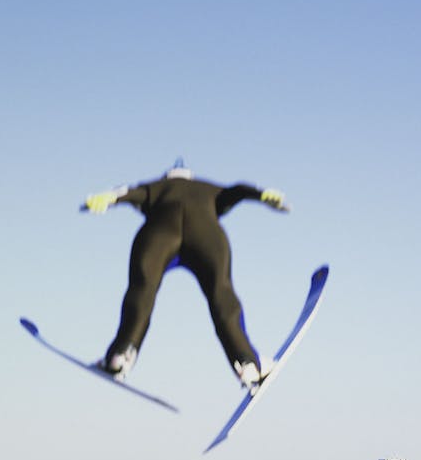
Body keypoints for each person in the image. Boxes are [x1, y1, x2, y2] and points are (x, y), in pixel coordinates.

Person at [82, 162, 290, 389]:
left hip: (158, 234)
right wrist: (261, 195)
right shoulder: (207, 188)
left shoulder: (157, 186)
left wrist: (109, 199)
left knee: (142, 288)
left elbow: (129, 192)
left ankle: (119, 356)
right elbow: (237, 190)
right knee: (221, 291)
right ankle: (249, 363)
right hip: (206, 235)